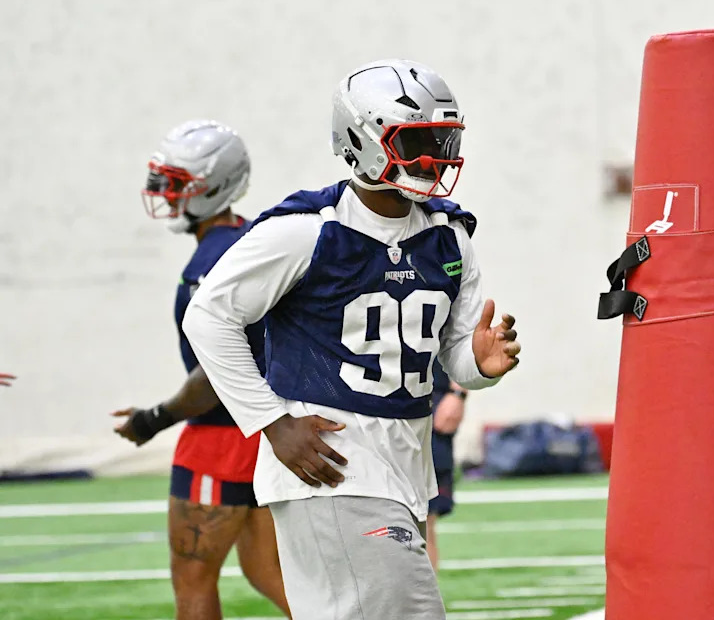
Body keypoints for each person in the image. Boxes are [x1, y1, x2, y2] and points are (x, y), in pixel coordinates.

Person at [183, 59, 521, 620]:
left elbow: (453, 357)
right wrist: (270, 421)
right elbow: (209, 317)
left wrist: (479, 363)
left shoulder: (449, 235)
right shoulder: (303, 230)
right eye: (416, 141)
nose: (434, 156)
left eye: (442, 139)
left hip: (403, 466)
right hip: (335, 464)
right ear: (360, 140)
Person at [111, 120, 289, 620]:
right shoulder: (258, 239)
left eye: (177, 183)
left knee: (193, 582)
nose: (165, 193)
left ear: (212, 187)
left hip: (221, 437)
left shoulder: (208, 267)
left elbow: (215, 373)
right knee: (271, 572)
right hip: (270, 431)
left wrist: (153, 418)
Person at [427, 362, 468, 569]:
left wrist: (458, 393)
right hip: (365, 398)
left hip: (427, 396)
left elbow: (459, 333)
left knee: (424, 518)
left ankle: (422, 601)